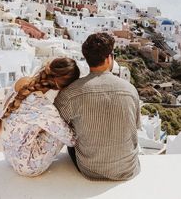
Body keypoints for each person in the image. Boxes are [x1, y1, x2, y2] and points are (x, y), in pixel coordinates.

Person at [55, 33, 141, 181]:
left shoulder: (70, 93)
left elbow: (58, 126)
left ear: (88, 60)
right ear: (109, 58)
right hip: (127, 169)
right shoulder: (130, 89)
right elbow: (136, 126)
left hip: (90, 170)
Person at [0, 58, 80, 176]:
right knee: (63, 127)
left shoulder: (22, 82)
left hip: (9, 156)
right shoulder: (43, 107)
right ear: (63, 87)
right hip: (28, 166)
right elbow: (71, 140)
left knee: (51, 125)